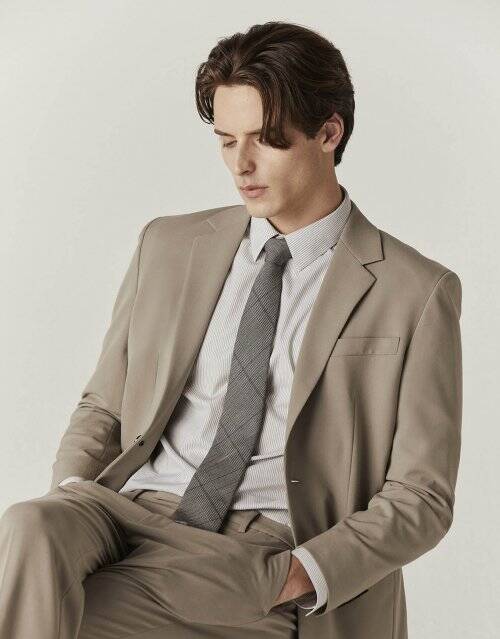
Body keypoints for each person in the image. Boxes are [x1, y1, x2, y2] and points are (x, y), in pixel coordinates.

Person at [0, 20, 462, 639]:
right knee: (28, 525)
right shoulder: (168, 245)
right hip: (123, 511)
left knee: (66, 611)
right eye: (225, 141)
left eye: (267, 141)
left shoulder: (414, 290)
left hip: (255, 547)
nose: (241, 166)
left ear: (329, 133)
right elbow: (103, 405)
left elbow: (421, 496)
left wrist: (296, 575)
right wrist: (70, 490)